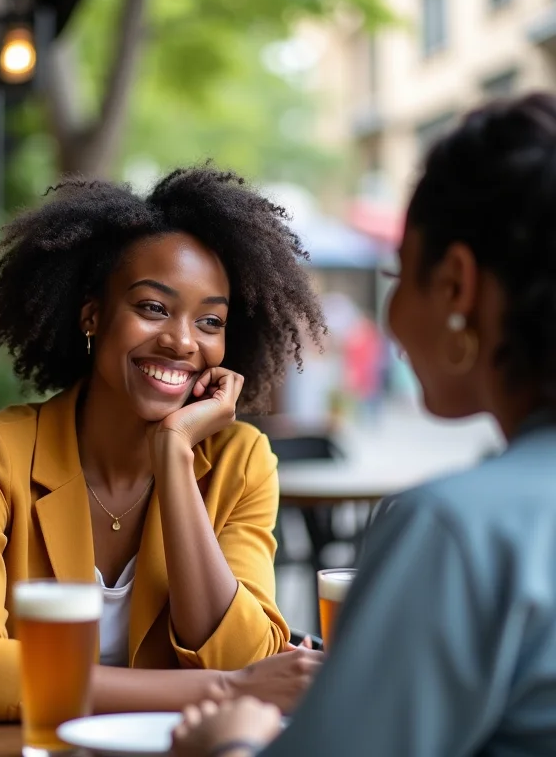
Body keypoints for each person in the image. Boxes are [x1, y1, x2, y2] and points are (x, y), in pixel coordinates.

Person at [171, 93, 556, 757]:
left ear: (457, 286)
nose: (392, 320)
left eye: (398, 275)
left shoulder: (456, 531)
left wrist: (232, 743)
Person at [0, 166, 327, 723]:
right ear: (93, 314)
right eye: (153, 307)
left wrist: (176, 452)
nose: (183, 340)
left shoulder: (240, 460)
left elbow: (245, 655)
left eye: (210, 320)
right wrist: (226, 689)